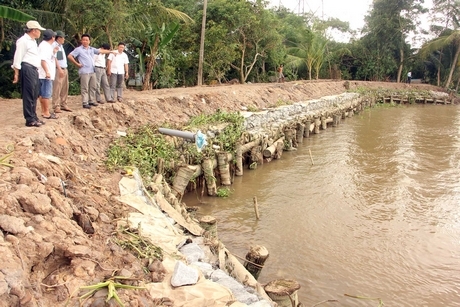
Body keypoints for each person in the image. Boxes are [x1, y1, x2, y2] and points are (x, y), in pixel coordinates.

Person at [12, 20, 46, 127]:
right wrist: (16, 72)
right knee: (29, 93)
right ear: (33, 30)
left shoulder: (33, 41)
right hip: (27, 68)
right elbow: (18, 57)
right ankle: (29, 118)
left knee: (35, 93)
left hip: (34, 69)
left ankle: (34, 116)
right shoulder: (23, 41)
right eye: (38, 30)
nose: (40, 32)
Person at [67, 34, 114, 109]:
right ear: (81, 41)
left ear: (89, 41)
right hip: (84, 71)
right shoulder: (78, 49)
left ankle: (91, 100)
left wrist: (111, 52)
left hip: (92, 71)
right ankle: (85, 102)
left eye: (87, 40)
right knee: (85, 88)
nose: (85, 41)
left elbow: (100, 51)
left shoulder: (91, 49)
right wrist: (77, 64)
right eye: (83, 40)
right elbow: (70, 56)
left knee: (93, 87)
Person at [38, 29, 59, 120]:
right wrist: (47, 72)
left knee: (42, 94)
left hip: (45, 74)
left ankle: (44, 111)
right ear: (52, 37)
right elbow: (43, 60)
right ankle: (46, 112)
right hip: (45, 74)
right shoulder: (45, 46)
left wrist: (53, 52)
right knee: (46, 94)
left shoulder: (46, 46)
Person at [52, 30, 72, 112]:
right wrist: (59, 69)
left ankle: (63, 103)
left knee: (65, 87)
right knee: (57, 87)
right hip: (58, 69)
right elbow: (55, 58)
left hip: (64, 68)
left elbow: (60, 58)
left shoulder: (61, 46)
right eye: (63, 37)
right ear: (59, 38)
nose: (64, 39)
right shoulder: (54, 45)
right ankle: (56, 105)